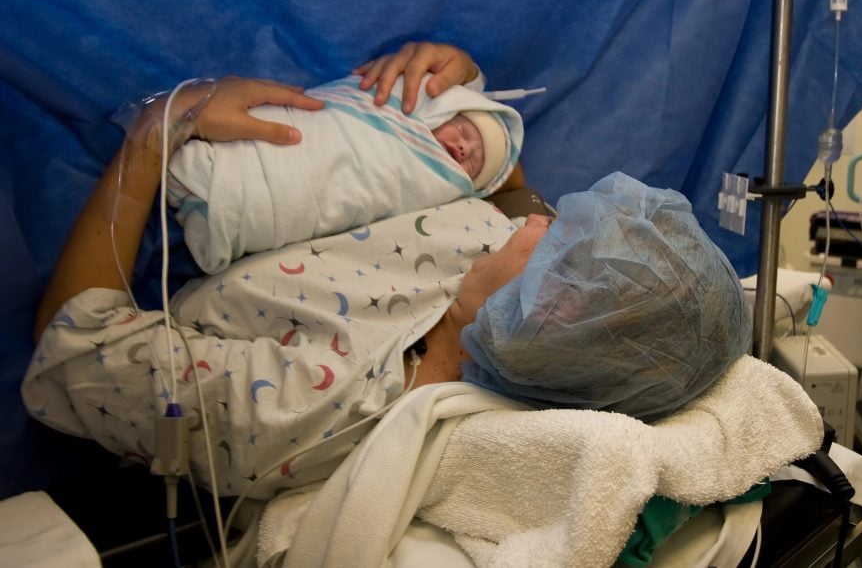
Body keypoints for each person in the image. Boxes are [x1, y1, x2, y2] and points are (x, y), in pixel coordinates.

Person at [23, 43, 750, 500]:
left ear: (553, 311)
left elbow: (77, 347)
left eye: (557, 239)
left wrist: (159, 130)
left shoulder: (301, 408)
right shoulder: (521, 308)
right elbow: (515, 190)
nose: (537, 217)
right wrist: (463, 101)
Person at [165, 59, 524, 275]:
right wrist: (471, 73)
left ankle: (237, 206)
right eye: (463, 131)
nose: (463, 147)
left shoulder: (438, 191)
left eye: (473, 161)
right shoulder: (400, 109)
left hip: (272, 213)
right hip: (254, 151)